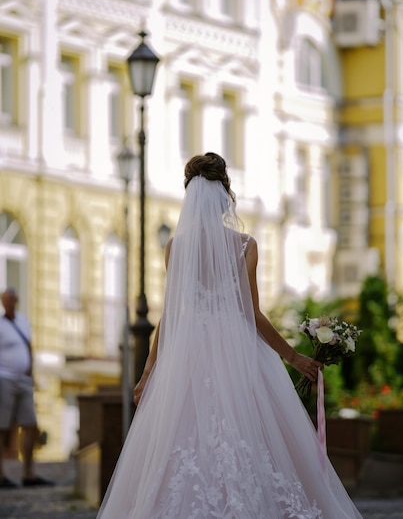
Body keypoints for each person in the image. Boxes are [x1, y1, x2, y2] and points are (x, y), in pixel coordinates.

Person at [97, 153, 362, 518]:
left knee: (182, 437)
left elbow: (170, 318)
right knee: (252, 434)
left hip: (187, 356)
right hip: (238, 353)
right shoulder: (244, 245)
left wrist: (147, 374)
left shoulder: (176, 247)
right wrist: (293, 357)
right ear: (225, 194)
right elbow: (250, 314)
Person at [0, 287, 53, 488]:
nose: (8, 302)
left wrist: (31, 371)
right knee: (2, 427)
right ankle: (1, 474)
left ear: (17, 300)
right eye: (5, 299)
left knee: (30, 424)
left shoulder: (23, 320)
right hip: (4, 378)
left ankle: (28, 472)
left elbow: (29, 346)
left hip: (24, 380)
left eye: (11, 299)